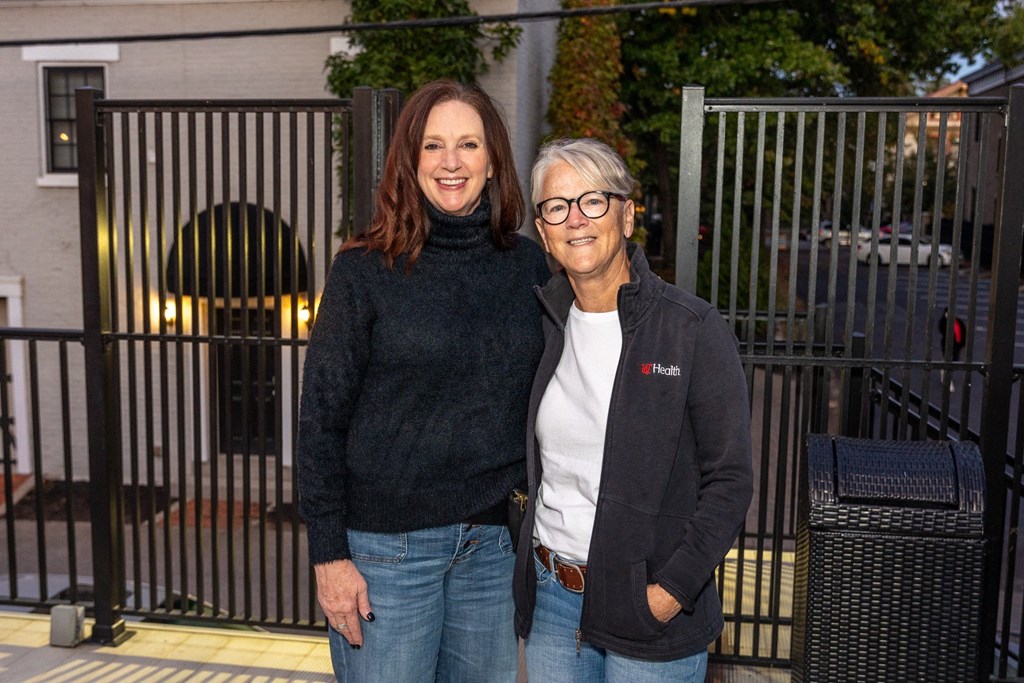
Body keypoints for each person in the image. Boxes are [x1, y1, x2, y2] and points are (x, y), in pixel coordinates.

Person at [296, 79, 550, 682]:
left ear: (493, 161)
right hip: (387, 553)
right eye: (433, 145)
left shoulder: (530, 267)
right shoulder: (363, 270)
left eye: (468, 144)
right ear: (410, 161)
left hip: (491, 549)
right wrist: (329, 554)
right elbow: (320, 418)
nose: (451, 161)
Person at [512, 138, 753, 681]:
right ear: (545, 232)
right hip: (552, 602)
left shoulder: (690, 329)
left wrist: (670, 591)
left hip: (649, 613)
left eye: (593, 200)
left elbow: (730, 480)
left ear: (627, 215)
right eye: (556, 206)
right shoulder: (542, 324)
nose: (576, 218)